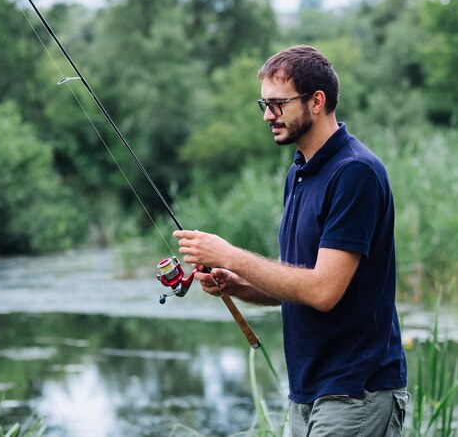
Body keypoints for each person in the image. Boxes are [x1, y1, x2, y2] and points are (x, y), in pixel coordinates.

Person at [174, 45, 409, 436]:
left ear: (317, 101)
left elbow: (323, 291)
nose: (268, 115)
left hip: (356, 394)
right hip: (307, 394)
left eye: (278, 104)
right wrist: (241, 285)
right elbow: (299, 281)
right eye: (263, 104)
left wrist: (231, 255)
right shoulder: (299, 171)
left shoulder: (355, 173)